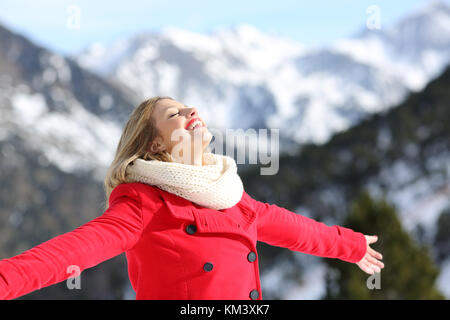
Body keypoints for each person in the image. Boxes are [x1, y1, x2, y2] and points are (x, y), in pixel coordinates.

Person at [0, 96, 384, 300]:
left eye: (188, 107)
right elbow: (70, 253)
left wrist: (347, 245)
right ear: (154, 143)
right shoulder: (141, 204)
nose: (190, 112)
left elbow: (288, 225)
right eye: (175, 114)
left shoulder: (230, 194)